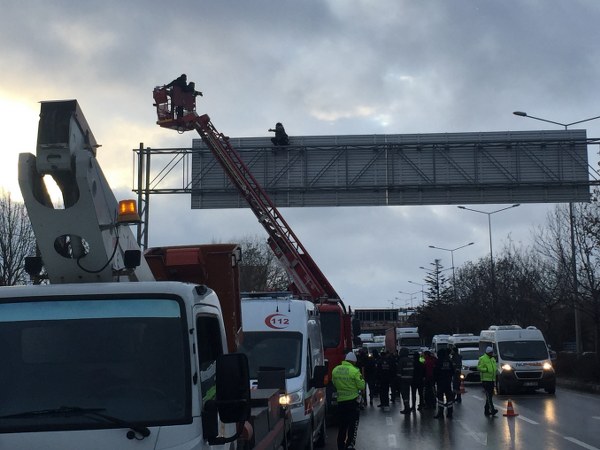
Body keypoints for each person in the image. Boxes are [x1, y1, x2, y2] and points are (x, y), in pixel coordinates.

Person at [332, 351, 365, 450]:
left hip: (341, 402)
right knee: (353, 424)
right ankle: (350, 444)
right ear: (353, 362)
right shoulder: (355, 371)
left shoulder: (335, 370)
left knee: (342, 426)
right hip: (353, 402)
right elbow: (361, 386)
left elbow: (334, 383)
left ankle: (340, 446)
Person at [433, 348, 456, 419]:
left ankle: (441, 413)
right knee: (449, 398)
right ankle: (450, 413)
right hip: (448, 382)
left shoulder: (438, 361)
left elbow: (435, 372)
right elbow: (453, 371)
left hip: (440, 382)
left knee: (440, 398)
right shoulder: (449, 361)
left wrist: (434, 380)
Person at [478, 346, 498, 417]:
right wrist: (486, 370)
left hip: (492, 379)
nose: (492, 354)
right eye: (491, 353)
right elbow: (479, 368)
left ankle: (486, 410)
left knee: (490, 395)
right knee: (489, 395)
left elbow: (495, 367)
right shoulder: (482, 358)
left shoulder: (492, 359)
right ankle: (492, 410)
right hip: (486, 380)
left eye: (492, 352)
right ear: (488, 352)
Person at [396, 347, 414, 414]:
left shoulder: (401, 360)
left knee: (404, 394)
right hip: (410, 379)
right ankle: (408, 407)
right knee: (408, 393)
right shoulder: (410, 360)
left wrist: (398, 380)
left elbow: (399, 371)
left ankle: (407, 408)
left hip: (403, 380)